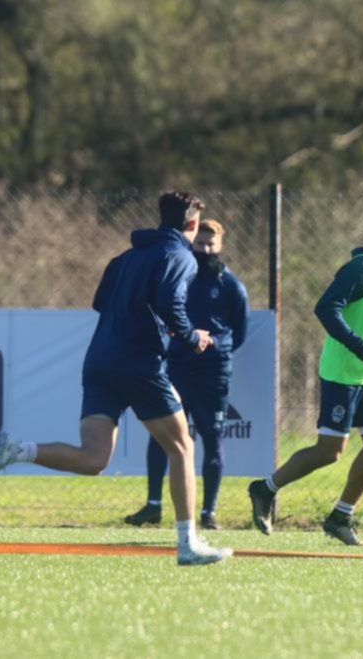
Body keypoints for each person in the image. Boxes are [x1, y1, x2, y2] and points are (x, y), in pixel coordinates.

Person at [0, 191, 232, 566]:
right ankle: (187, 544)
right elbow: (170, 303)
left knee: (93, 459)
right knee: (182, 448)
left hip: (99, 362)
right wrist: (193, 337)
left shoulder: (125, 258)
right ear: (192, 224)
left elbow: (102, 301)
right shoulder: (180, 257)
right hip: (139, 365)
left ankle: (15, 450)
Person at [248, 202, 363, 546]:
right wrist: (358, 344)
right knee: (329, 452)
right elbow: (324, 308)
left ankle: (341, 516)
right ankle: (265, 489)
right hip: (344, 374)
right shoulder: (360, 269)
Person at [124, 218, 249, 531]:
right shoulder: (180, 277)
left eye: (211, 245)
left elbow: (240, 331)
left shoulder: (230, 285)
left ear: (220, 247)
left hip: (213, 375)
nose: (205, 250)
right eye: (200, 244)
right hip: (177, 367)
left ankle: (209, 513)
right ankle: (153, 506)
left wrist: (214, 350)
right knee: (162, 434)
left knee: (212, 437)